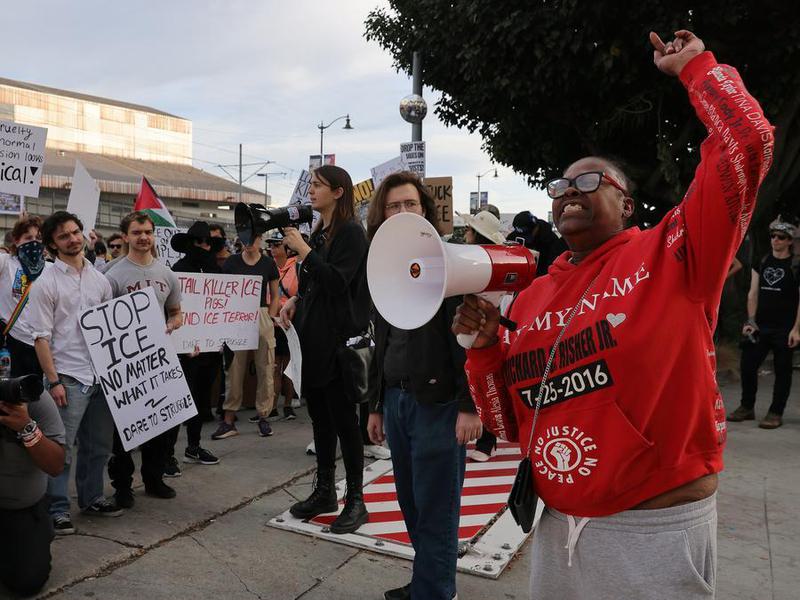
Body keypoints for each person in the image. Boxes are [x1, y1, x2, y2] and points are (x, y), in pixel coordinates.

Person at [452, 30, 774, 599]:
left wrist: (697, 68)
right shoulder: (530, 299)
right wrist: (482, 355)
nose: (568, 191)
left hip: (652, 529)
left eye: (588, 179)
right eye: (560, 185)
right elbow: (507, 426)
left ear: (627, 203)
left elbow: (747, 143)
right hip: (557, 528)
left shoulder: (673, 251)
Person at [366, 171, 482, 600]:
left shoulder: (447, 261)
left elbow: (468, 340)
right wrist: (377, 405)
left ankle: (434, 592)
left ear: (425, 211)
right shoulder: (384, 266)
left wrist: (471, 406)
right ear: (382, 215)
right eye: (393, 206)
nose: (401, 212)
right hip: (397, 400)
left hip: (438, 404)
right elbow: (384, 342)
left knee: (436, 507)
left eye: (409, 205)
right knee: (412, 503)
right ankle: (427, 583)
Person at [278, 165, 370, 534]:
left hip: (338, 346)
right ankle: (325, 491)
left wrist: (303, 251)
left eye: (318, 186)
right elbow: (314, 283)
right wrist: (295, 301)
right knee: (320, 419)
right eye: (312, 185)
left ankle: (356, 500)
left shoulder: (350, 233)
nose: (311, 191)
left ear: (339, 192)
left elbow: (337, 282)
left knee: (346, 424)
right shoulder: (321, 232)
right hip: (313, 343)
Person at [29, 211, 121, 535]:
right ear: (53, 245)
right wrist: (53, 381)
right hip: (67, 377)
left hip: (101, 376)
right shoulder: (45, 284)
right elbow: (41, 338)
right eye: (64, 236)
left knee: (98, 445)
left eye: (76, 232)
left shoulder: (100, 280)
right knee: (61, 449)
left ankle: (92, 496)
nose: (73, 239)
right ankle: (56, 508)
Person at [105, 212, 184, 505]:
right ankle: (122, 487)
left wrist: (174, 323)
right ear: (125, 236)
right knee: (122, 432)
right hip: (124, 368)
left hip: (158, 364)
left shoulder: (167, 274)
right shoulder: (111, 275)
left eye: (148, 232)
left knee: (160, 426)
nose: (143, 237)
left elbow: (176, 312)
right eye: (137, 232)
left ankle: (154, 479)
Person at [728, 221, 800, 429]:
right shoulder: (763, 261)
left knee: (783, 371)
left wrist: (796, 329)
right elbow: (753, 293)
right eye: (773, 236)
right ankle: (746, 407)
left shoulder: (795, 266)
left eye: (781, 237)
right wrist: (750, 321)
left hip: (785, 328)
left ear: (789, 241)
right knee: (748, 365)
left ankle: (776, 412)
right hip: (761, 326)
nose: (775, 240)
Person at [166, 221, 223, 469]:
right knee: (179, 403)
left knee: (201, 400)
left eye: (208, 242)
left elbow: (223, 308)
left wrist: (222, 337)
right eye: (199, 242)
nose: (204, 246)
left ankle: (194, 446)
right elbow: (171, 309)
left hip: (209, 350)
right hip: (184, 351)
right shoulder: (177, 271)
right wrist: (183, 342)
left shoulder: (215, 271)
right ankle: (167, 455)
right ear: (190, 244)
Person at [212, 232, 280, 439]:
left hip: (260, 313)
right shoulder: (231, 262)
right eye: (246, 239)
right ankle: (229, 418)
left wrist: (270, 317)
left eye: (253, 238)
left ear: (260, 239)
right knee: (234, 368)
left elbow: (275, 295)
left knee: (266, 368)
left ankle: (263, 416)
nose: (249, 243)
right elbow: (221, 292)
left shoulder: (268, 264)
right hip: (236, 316)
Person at [0, 389, 65, 596]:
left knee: (27, 581)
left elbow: (55, 465)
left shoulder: (31, 395)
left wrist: (26, 427)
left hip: (21, 509)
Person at [0, 215, 52, 377]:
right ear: (16, 240)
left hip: (44, 346)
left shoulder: (52, 269)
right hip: (13, 343)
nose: (34, 242)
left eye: (38, 238)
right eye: (28, 237)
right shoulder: (6, 262)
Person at [267, 233, 300, 419]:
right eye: (270, 245)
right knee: (273, 366)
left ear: (286, 248)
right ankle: (272, 407)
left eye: (276, 245)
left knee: (287, 366)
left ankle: (288, 405)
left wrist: (284, 306)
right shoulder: (269, 267)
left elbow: (298, 294)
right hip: (272, 322)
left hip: (288, 323)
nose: (272, 249)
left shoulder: (295, 267)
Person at [507, 210, 568, 276]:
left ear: (536, 227)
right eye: (521, 234)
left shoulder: (551, 240)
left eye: (527, 234)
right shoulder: (513, 236)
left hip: (541, 276)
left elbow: (552, 265)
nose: (524, 238)